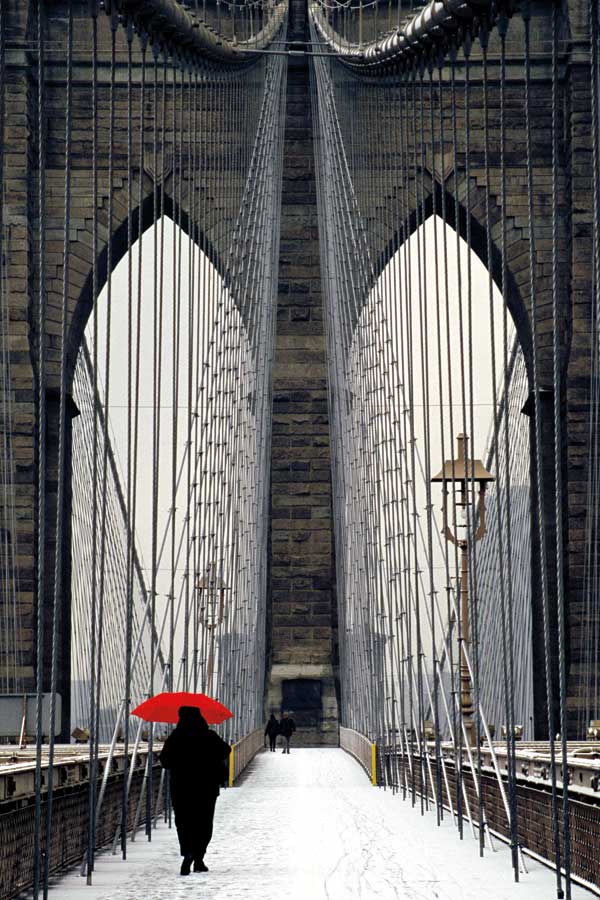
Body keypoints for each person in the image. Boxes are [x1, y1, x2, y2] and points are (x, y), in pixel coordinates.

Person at [159, 706, 231, 876]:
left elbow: (164, 761)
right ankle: (199, 859)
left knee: (184, 822)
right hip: (207, 787)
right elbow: (226, 750)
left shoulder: (176, 737)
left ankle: (188, 852)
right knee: (204, 822)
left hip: (181, 788)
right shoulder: (209, 735)